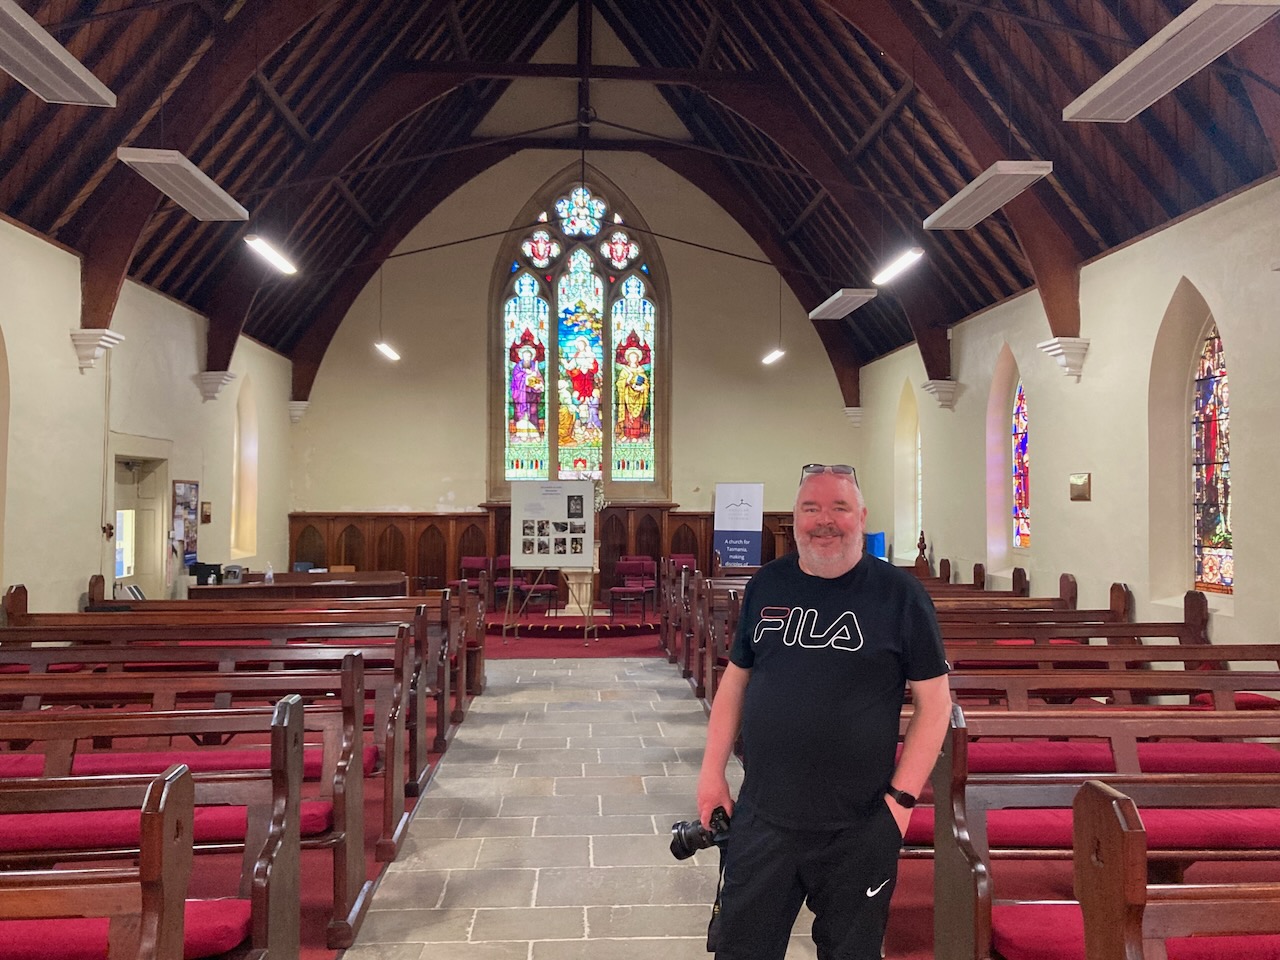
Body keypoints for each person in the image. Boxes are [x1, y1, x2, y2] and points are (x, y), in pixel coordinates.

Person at [696, 463, 952, 960]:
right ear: (794, 518)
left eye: (839, 507)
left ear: (862, 516)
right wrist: (711, 774)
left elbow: (935, 704)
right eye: (811, 508)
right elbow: (735, 683)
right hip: (763, 817)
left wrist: (900, 804)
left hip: (860, 824)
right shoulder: (767, 584)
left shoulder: (901, 595)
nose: (824, 520)